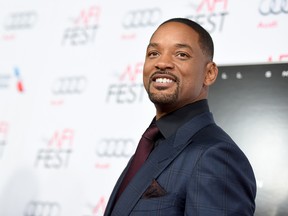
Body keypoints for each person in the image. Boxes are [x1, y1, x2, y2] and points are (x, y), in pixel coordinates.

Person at [104, 17, 256, 216]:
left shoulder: (216, 156)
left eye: (181, 54)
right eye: (154, 53)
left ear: (209, 73)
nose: (162, 62)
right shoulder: (151, 143)